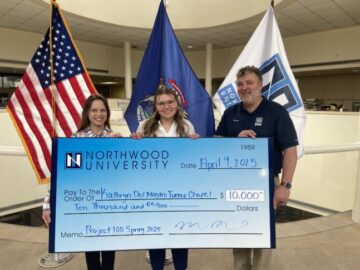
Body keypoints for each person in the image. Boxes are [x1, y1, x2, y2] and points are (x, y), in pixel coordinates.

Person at [214, 66, 298, 270]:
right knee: (240, 234)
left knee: (263, 237)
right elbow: (216, 143)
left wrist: (285, 186)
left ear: (260, 85)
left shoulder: (277, 112)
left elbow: (290, 151)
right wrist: (235, 140)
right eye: (240, 84)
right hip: (236, 184)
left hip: (267, 184)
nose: (244, 88)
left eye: (249, 83)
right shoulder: (230, 112)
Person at [42, 94, 121, 270]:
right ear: (87, 113)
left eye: (102, 110)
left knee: (109, 254)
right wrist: (47, 205)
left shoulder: (116, 138)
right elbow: (63, 176)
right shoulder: (75, 140)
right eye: (94, 110)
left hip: (109, 206)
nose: (99, 114)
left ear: (107, 113)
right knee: (91, 255)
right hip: (86, 206)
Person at [131, 84, 199, 270]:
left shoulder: (187, 126)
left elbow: (192, 159)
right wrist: (135, 142)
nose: (166, 106)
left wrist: (196, 145)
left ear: (177, 103)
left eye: (170, 102)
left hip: (180, 190)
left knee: (179, 234)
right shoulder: (145, 126)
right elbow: (137, 159)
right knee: (156, 235)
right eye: (161, 103)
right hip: (154, 191)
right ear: (155, 106)